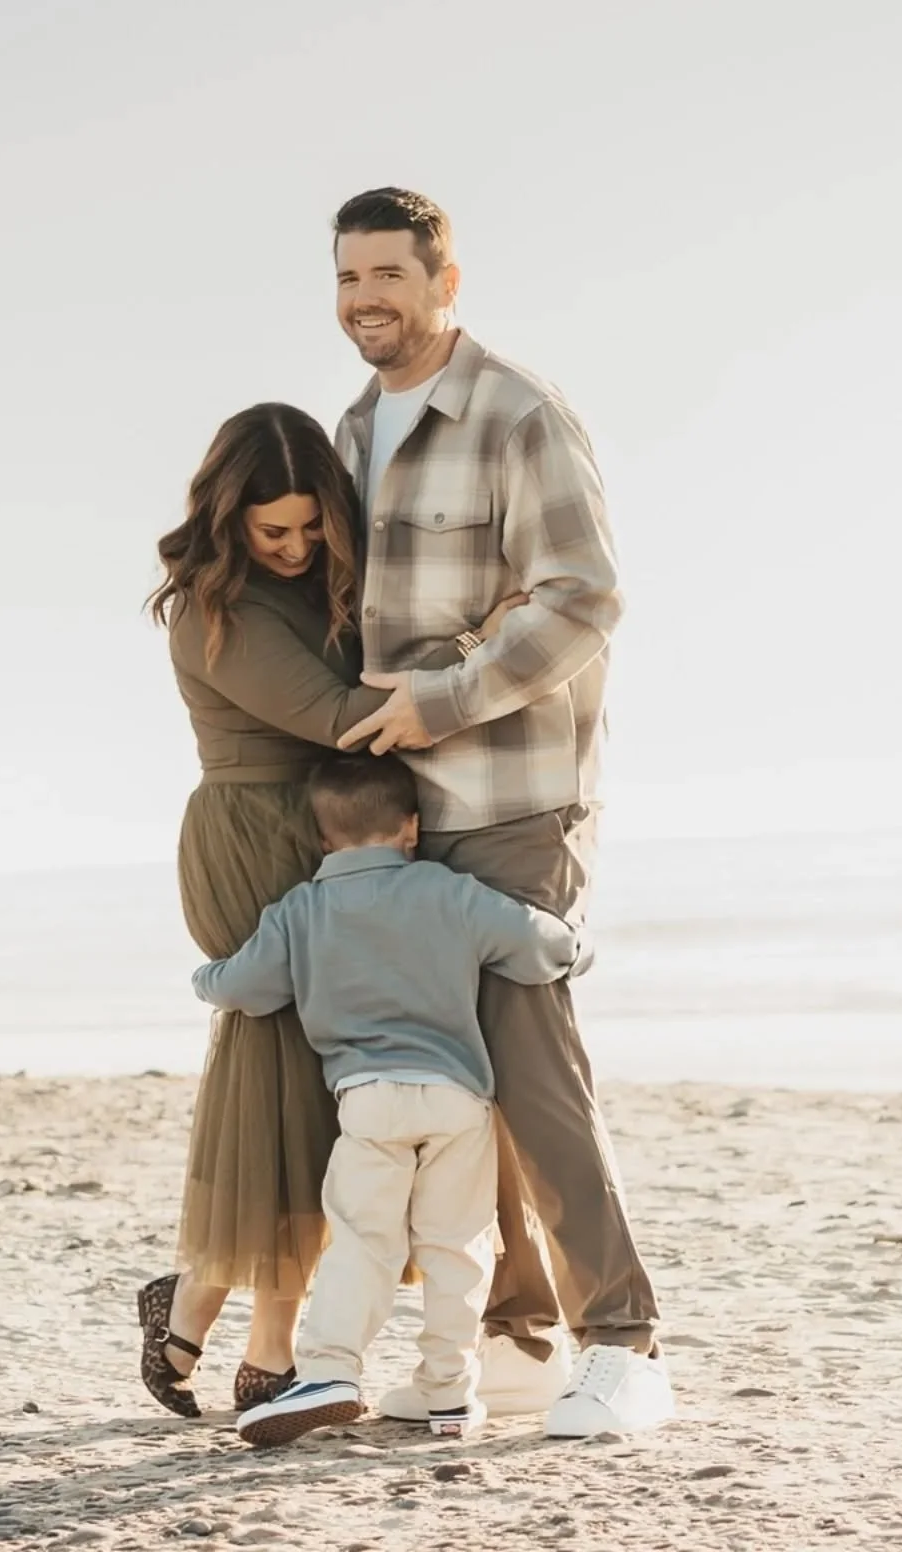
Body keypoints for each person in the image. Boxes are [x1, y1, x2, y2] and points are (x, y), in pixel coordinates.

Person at [328, 186, 675, 1438]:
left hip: (516, 795)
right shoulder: (354, 433)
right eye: (348, 279)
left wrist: (446, 700)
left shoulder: (518, 413)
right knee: (453, 1075)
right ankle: (520, 1327)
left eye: (390, 276)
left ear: (444, 279)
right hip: (403, 813)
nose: (367, 300)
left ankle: (625, 1343)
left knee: (533, 1066)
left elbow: (585, 599)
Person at [137, 403, 521, 1419]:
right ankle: (262, 1339)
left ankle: (197, 1300)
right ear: (230, 521)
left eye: (314, 529)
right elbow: (344, 718)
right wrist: (498, 670)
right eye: (276, 533)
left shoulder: (325, 588)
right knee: (284, 1078)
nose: (299, 548)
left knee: (316, 1089)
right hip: (257, 833)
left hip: (327, 829)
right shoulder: (210, 610)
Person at [192, 752, 588, 1448]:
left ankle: (331, 1371)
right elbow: (535, 940)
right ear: (411, 828)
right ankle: (448, 1392)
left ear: (322, 839)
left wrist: (205, 976)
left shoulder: (300, 911)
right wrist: (577, 949)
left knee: (362, 1243)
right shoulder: (448, 892)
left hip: (368, 1101)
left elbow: (243, 989)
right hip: (457, 1099)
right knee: (454, 1247)